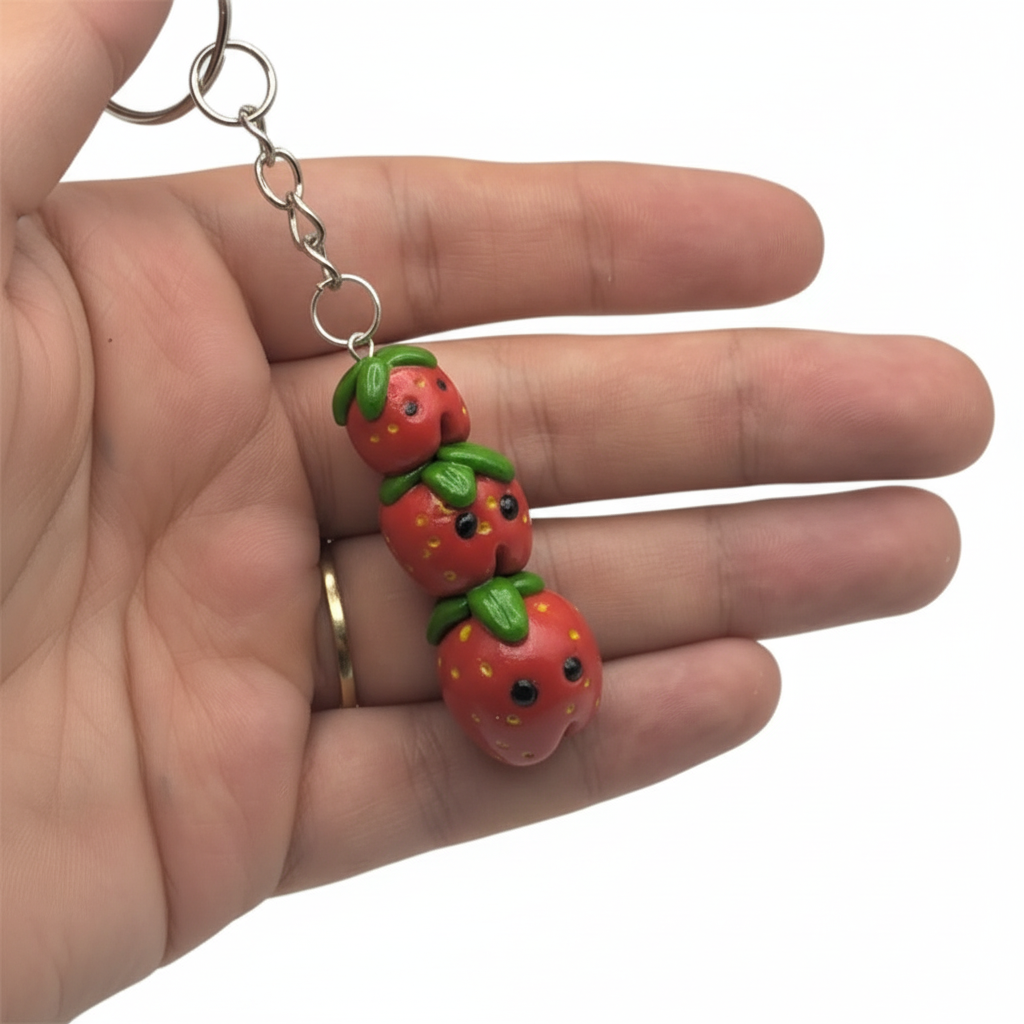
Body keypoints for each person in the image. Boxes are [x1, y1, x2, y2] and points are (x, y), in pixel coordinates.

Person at [0, 1, 994, 1020]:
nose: (425, 411)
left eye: (429, 402)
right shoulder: (436, 521)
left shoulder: (443, 515)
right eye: (413, 407)